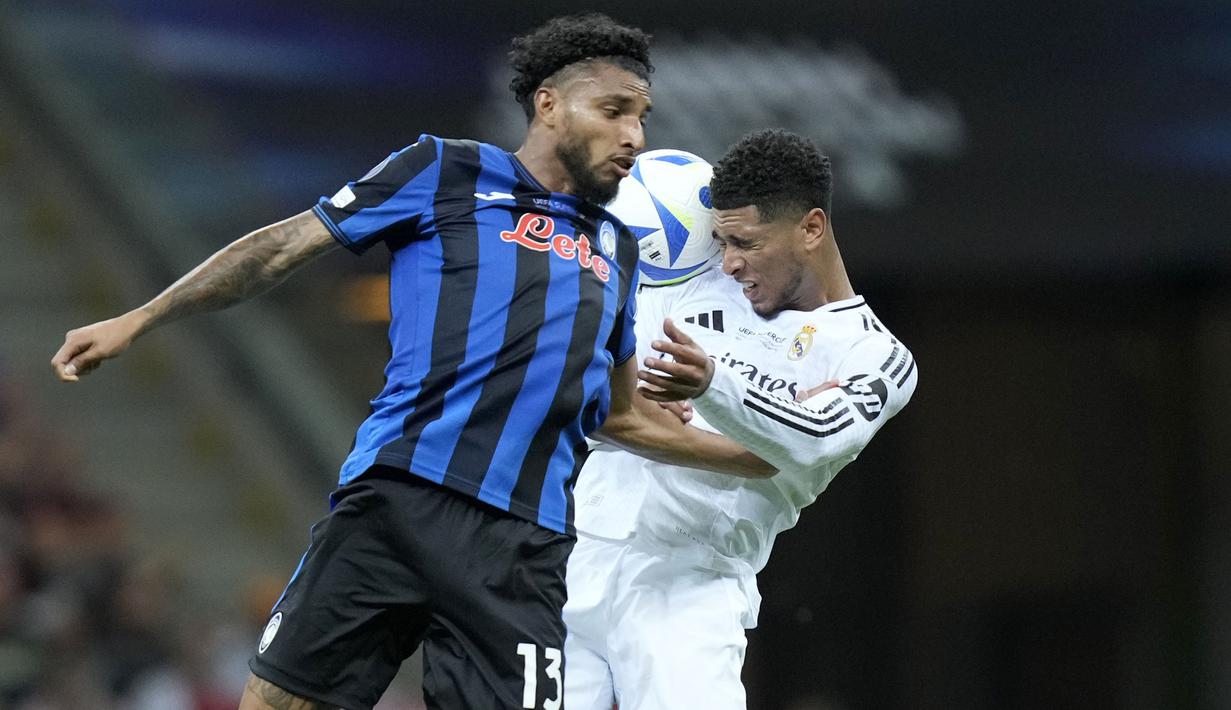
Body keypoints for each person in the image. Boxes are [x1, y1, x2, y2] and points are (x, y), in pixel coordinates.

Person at [50, 14, 772, 710]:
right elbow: (280, 249)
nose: (633, 137)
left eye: (642, 117)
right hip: (397, 502)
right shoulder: (444, 170)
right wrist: (140, 318)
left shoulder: (616, 249)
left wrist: (771, 456)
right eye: (614, 111)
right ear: (548, 103)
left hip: (521, 549)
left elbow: (621, 417)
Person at [562, 129, 918, 710]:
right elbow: (585, 398)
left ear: (811, 228)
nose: (729, 262)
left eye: (746, 243)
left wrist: (709, 388)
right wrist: (746, 438)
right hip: (575, 564)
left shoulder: (877, 356)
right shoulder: (695, 284)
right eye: (722, 241)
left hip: (689, 590)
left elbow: (817, 436)